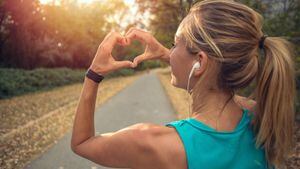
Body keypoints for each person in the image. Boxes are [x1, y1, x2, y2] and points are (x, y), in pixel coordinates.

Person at [70, 0, 296, 169]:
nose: (171, 49)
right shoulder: (262, 116)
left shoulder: (152, 142)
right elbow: (211, 77)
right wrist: (167, 54)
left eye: (175, 43)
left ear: (199, 62)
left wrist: (94, 74)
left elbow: (82, 142)